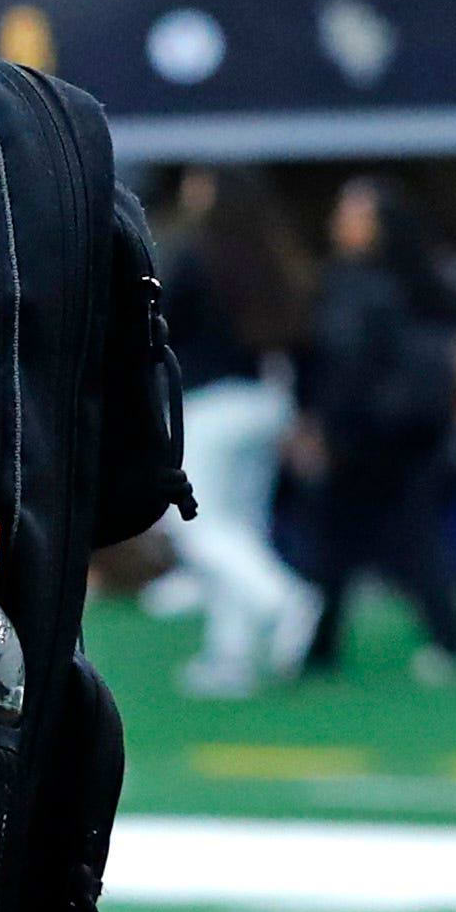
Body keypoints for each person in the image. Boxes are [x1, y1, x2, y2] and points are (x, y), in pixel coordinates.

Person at [292, 174, 456, 683]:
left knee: (388, 543)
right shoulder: (417, 281)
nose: (340, 224)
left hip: (372, 436)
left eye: (354, 215)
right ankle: (323, 646)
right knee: (357, 544)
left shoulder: (358, 286)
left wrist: (329, 427)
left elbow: (346, 364)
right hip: (403, 434)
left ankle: (448, 641)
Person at [158, 168, 323, 698]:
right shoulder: (275, 257)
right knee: (241, 530)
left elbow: (163, 329)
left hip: (211, 407)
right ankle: (231, 658)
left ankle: (282, 599)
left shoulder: (197, 254)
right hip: (265, 403)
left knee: (190, 525)